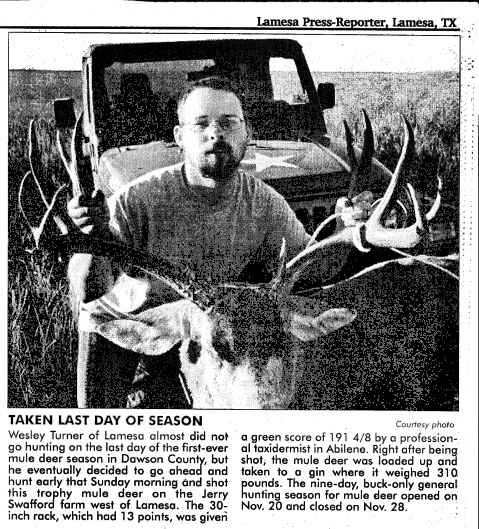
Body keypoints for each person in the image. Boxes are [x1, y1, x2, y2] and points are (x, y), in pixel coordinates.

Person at [68, 76, 371, 409]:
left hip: (204, 325)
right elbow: (88, 290)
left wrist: (346, 228)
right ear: (179, 138)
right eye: (200, 125)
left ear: (247, 134)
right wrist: (90, 237)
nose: (215, 133)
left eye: (228, 122)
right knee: (98, 421)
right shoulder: (139, 199)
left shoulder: (263, 204)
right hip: (127, 321)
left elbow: (314, 270)